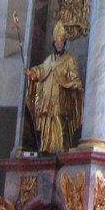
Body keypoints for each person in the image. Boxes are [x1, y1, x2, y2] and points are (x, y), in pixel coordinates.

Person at [24, 21, 83, 153]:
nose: (59, 44)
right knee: (47, 122)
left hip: (61, 98)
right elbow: (41, 70)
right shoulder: (50, 59)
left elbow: (76, 80)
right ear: (54, 43)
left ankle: (61, 147)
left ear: (64, 43)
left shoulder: (69, 59)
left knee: (59, 122)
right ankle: (46, 146)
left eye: (61, 42)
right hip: (47, 98)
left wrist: (68, 84)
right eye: (57, 42)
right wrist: (32, 73)